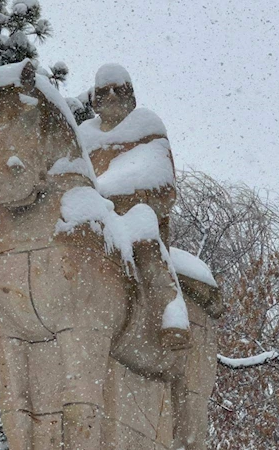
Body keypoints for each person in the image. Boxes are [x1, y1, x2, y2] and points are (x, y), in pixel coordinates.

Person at [79, 63, 187, 348]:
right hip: (90, 216)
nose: (112, 97)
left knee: (142, 229)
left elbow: (160, 180)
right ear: (94, 99)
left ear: (131, 96)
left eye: (119, 90)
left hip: (127, 216)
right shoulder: (84, 137)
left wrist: (109, 194)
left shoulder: (146, 128)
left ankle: (169, 310)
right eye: (104, 91)